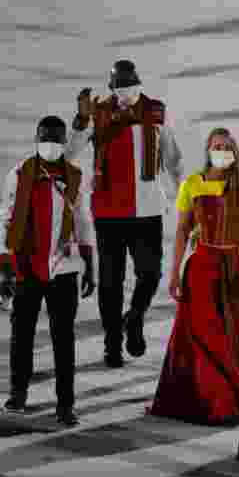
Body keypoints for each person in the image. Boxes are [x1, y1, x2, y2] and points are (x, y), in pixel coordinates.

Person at [66, 61, 184, 368]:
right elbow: (70, 153)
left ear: (139, 85)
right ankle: (112, 344)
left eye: (130, 87)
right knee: (110, 282)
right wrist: (81, 120)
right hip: (108, 211)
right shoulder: (99, 112)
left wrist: (185, 195)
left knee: (150, 274)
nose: (125, 94)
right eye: (119, 88)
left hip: (147, 209)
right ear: (112, 88)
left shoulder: (156, 111)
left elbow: (172, 158)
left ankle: (133, 317)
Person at [148, 128, 239, 425]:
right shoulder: (193, 184)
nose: (221, 151)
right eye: (216, 146)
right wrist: (173, 274)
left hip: (232, 265)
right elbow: (183, 231)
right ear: (208, 151)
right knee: (204, 334)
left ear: (234, 151)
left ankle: (226, 398)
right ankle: (213, 402)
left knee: (229, 332)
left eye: (226, 146)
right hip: (201, 266)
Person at [0, 116, 96, 427]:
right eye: (45, 138)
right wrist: (4, 263)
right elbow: (6, 217)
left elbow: (82, 219)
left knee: (63, 339)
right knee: (21, 335)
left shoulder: (75, 176)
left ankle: (65, 405)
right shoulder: (19, 173)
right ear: (36, 138)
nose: (50, 144)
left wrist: (90, 263)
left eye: (56, 138)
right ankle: (18, 393)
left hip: (63, 268)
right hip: (25, 266)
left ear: (64, 141)